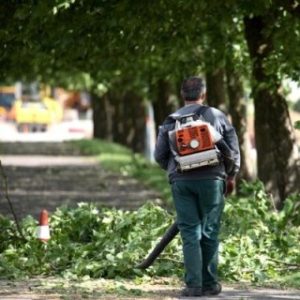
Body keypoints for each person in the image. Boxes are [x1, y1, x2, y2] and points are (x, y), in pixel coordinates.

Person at [154, 76, 240, 297]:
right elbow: (232, 149)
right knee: (210, 230)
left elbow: (159, 155)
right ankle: (210, 283)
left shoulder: (171, 119)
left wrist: (175, 170)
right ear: (203, 94)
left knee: (190, 231)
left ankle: (193, 285)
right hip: (212, 180)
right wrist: (230, 176)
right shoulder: (217, 116)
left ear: (183, 95)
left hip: (182, 182)